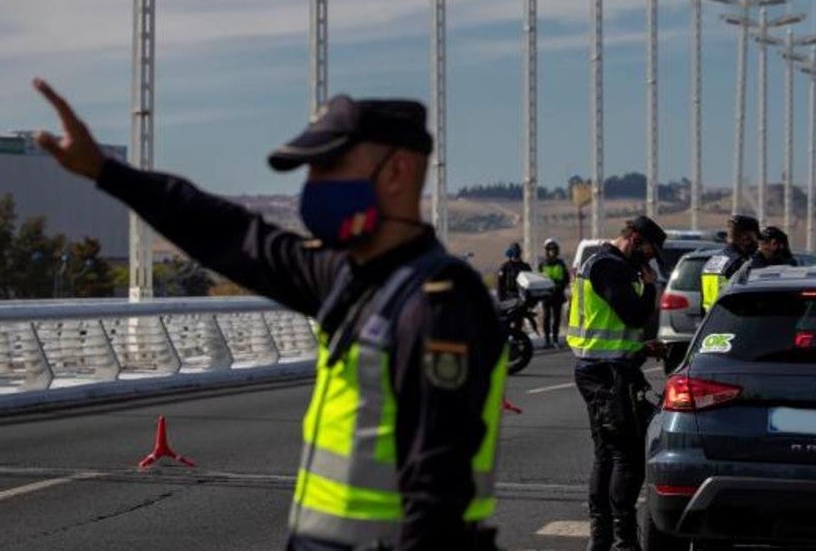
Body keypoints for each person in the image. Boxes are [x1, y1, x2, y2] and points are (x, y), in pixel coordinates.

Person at [31, 81, 506, 551]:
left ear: (398, 172)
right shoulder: (349, 277)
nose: (313, 184)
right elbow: (227, 232)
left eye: (329, 165)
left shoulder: (435, 304)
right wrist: (105, 171)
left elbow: (436, 498)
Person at [568, 216, 667, 551]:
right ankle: (621, 541)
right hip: (607, 375)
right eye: (650, 251)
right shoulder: (610, 267)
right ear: (636, 239)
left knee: (607, 454)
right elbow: (632, 314)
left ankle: (603, 539)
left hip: (602, 368)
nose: (650, 259)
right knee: (626, 456)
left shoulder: (601, 263)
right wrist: (651, 288)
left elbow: (611, 324)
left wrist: (641, 347)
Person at [699, 214, 760, 311]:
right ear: (746, 238)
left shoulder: (712, 261)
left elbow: (704, 302)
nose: (757, 244)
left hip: (711, 322)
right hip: (733, 322)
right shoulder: (741, 264)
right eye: (756, 239)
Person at [496, 242, 536, 335]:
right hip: (508, 299)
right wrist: (501, 300)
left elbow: (530, 282)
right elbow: (500, 285)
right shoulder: (505, 267)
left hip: (521, 298)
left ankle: (517, 338)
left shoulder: (525, 266)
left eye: (516, 251)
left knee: (518, 321)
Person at [537, 238, 568, 348]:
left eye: (553, 249)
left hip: (558, 295)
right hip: (546, 295)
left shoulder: (561, 264)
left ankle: (555, 339)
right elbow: (539, 279)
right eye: (550, 249)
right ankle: (547, 340)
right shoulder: (542, 265)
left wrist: (560, 286)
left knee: (557, 318)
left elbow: (566, 278)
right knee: (546, 318)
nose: (552, 251)